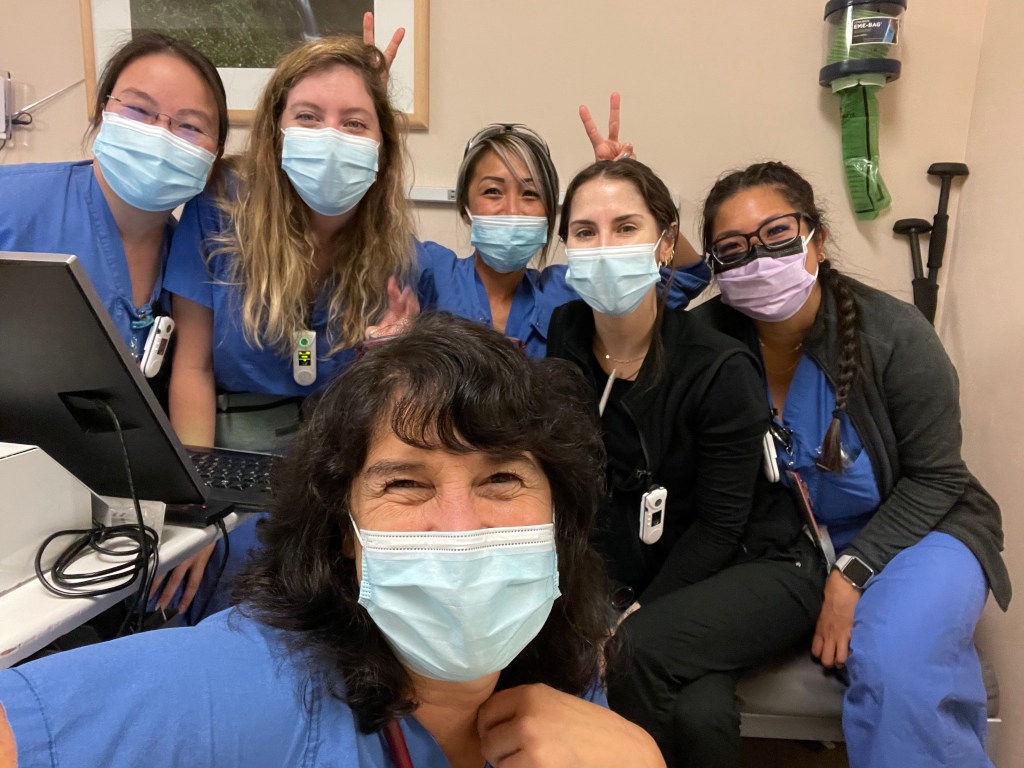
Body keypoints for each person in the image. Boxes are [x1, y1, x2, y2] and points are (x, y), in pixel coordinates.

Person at [0, 313, 667, 768]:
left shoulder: (567, 678)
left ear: (556, 516)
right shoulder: (251, 684)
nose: (460, 526)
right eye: (405, 484)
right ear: (347, 533)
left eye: (500, 478)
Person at [695, 160, 1010, 767]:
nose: (758, 259)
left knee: (896, 667)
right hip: (788, 549)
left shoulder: (892, 334)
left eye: (778, 234)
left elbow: (938, 477)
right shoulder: (705, 343)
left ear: (817, 238)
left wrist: (850, 575)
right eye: (732, 249)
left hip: (921, 530)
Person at [546, 160, 826, 768]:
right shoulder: (566, 332)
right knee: (699, 713)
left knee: (635, 650)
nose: (605, 247)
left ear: (666, 242)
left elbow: (722, 526)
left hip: (761, 563)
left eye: (626, 227)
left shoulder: (717, 367)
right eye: (585, 232)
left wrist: (636, 614)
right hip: (667, 566)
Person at [154, 33, 422, 615]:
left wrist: (393, 357)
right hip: (228, 457)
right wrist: (197, 510)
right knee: (207, 589)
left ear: (382, 145)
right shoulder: (220, 207)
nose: (331, 137)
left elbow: (386, 405)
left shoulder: (393, 246)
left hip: (335, 466)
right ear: (275, 130)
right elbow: (192, 368)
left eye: (354, 123)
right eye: (308, 117)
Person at [0, 33, 228, 362]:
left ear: (215, 157)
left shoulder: (193, 259)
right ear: (101, 113)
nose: (160, 133)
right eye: (138, 109)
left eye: (190, 126)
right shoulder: (11, 201)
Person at [417, 103, 711, 357]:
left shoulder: (569, 291)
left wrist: (627, 190)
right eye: (493, 191)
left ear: (548, 214)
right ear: (464, 208)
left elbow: (686, 275)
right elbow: (385, 251)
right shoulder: (431, 272)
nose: (512, 209)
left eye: (530, 194)